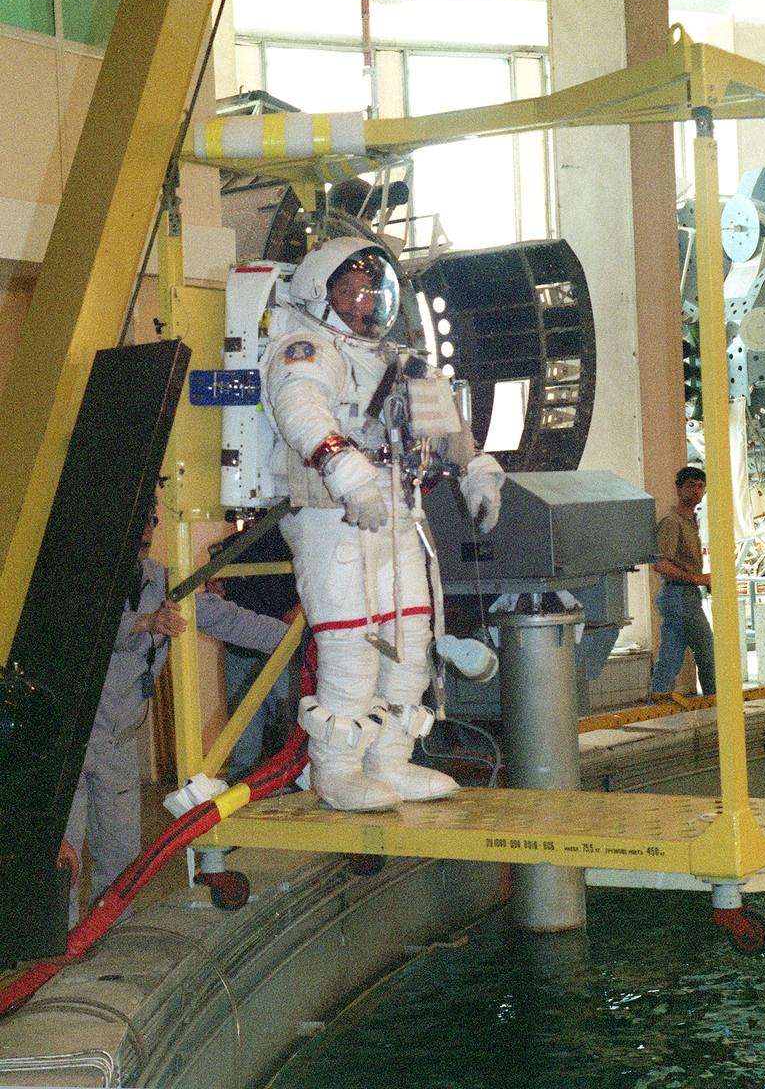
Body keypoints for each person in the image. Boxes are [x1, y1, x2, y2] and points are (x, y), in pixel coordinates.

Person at [260, 231, 504, 812]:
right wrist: (347, 474)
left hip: (397, 511)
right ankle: (336, 769)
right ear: (322, 292)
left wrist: (476, 473)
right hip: (332, 515)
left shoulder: (399, 363)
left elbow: (446, 429)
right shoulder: (304, 348)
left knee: (410, 641)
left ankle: (389, 760)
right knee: (350, 649)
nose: (363, 303)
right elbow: (302, 410)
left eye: (372, 292)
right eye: (350, 291)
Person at [64, 507, 290, 925]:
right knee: (64, 862)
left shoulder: (164, 584)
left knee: (122, 863)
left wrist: (304, 637)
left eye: (151, 520)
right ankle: (55, 955)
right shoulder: (80, 577)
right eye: (136, 520)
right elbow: (80, 625)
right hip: (70, 744)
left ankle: (113, 941)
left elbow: (229, 620)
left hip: (119, 741)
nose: (146, 530)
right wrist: (144, 623)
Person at [207, 525, 299, 783]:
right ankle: (243, 786)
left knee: (289, 723)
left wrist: (302, 608)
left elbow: (319, 580)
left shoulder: (292, 539)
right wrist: (214, 589)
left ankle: (292, 782)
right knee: (244, 730)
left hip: (282, 648)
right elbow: (215, 589)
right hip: (243, 653)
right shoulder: (231, 547)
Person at [649, 466, 716, 698]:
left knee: (671, 654)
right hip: (679, 595)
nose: (697, 491)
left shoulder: (690, 521)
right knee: (707, 649)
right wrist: (696, 578)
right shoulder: (672, 522)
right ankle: (714, 701)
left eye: (700, 486)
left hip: (682, 595)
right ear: (679, 489)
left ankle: (658, 702)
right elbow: (660, 564)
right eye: (691, 486)